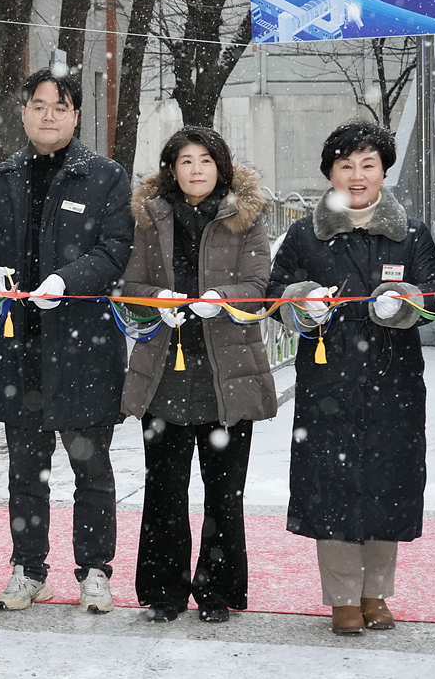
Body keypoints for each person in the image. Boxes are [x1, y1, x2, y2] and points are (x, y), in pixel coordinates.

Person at [0, 67, 133, 613]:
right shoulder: (0, 179)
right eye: (38, 105)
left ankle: (95, 570)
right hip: (19, 349)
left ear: (76, 115)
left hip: (84, 347)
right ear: (23, 112)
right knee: (25, 471)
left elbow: (114, 251)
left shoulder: (105, 177)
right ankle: (28, 568)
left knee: (91, 467)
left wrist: (67, 281)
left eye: (60, 106)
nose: (48, 115)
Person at [268, 120, 435, 635]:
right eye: (346, 165)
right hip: (329, 381)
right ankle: (343, 596)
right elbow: (274, 293)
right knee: (333, 484)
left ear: (383, 170)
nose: (358, 174)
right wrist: (301, 303)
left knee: (388, 482)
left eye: (368, 164)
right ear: (330, 173)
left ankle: (376, 593)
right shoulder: (305, 234)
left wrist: (408, 300)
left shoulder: (410, 233)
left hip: (395, 382)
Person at [121, 127, 277, 624]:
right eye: (184, 160)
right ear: (171, 169)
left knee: (223, 493)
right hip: (166, 370)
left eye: (205, 160)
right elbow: (130, 282)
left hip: (225, 373)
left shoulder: (244, 217)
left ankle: (217, 590)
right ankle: (165, 591)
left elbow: (259, 283)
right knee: (164, 489)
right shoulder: (149, 217)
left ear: (221, 166)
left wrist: (223, 299)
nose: (195, 169)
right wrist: (156, 300)